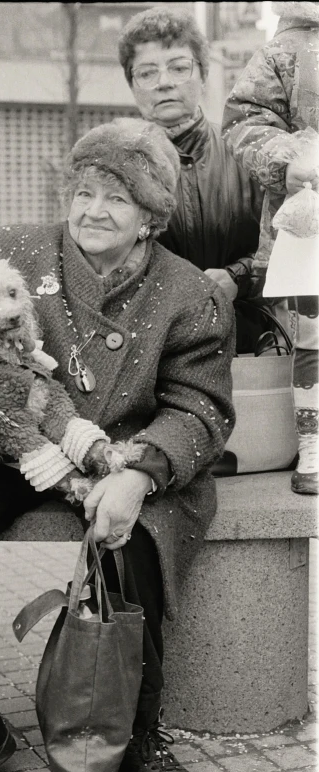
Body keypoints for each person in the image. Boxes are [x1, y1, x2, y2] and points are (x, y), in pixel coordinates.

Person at [0, 118, 235, 772]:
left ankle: (133, 732)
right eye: (84, 191)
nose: (92, 211)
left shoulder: (191, 294)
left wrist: (140, 473)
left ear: (151, 219)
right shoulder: (12, 247)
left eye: (117, 198)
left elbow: (200, 407)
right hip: (11, 444)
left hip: (120, 453)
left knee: (131, 533)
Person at [117, 6, 269, 354]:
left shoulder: (248, 153)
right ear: (132, 84)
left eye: (179, 67)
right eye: (147, 72)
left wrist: (239, 278)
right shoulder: (116, 165)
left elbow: (286, 241)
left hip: (246, 349)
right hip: (148, 358)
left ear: (203, 74)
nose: (164, 82)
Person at [222, 0, 319, 495]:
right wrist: (286, 159)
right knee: (311, 343)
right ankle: (312, 446)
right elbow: (243, 120)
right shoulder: (286, 49)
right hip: (307, 228)